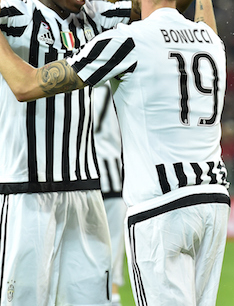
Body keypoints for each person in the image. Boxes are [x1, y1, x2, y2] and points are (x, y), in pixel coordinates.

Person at [0, 0, 234, 305]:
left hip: (84, 188)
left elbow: (164, 3)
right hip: (27, 186)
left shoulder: (98, 16)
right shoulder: (21, 11)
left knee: (96, 300)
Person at [93, 82, 126, 306]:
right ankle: (111, 296)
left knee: (83, 244)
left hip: (83, 173)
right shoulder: (118, 83)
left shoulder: (76, 77)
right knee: (113, 242)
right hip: (113, 173)